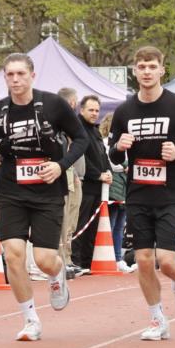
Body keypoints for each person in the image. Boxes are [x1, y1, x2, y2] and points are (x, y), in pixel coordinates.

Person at [0, 53, 89, 341]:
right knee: (13, 256)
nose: (15, 80)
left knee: (43, 259)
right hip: (11, 192)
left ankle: (57, 274)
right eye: (10, 75)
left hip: (48, 192)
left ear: (32, 76)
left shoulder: (54, 105)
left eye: (21, 74)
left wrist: (60, 165)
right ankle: (30, 319)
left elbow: (82, 139)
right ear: (5, 77)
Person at [109, 46, 175, 341]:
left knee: (165, 259)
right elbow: (113, 158)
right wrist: (119, 147)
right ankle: (157, 319)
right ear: (135, 71)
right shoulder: (125, 110)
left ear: (162, 70)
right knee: (142, 260)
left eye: (152, 66)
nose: (147, 71)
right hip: (138, 193)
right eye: (141, 67)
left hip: (172, 193)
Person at [70, 95, 112, 275]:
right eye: (91, 110)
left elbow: (102, 154)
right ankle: (76, 260)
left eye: (97, 110)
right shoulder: (77, 129)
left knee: (93, 226)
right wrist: (98, 174)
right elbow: (81, 157)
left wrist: (108, 171)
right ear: (81, 110)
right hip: (85, 185)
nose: (95, 113)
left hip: (99, 187)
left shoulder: (95, 130)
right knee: (80, 225)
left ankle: (87, 261)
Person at [56, 87, 85, 276]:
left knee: (72, 222)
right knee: (64, 221)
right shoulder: (59, 123)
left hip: (75, 176)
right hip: (65, 176)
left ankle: (67, 257)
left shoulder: (72, 125)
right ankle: (61, 259)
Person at [99, 113, 131, 273]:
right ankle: (109, 257)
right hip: (112, 187)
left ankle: (118, 258)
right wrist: (125, 166)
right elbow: (111, 163)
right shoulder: (106, 143)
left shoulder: (124, 144)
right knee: (110, 225)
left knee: (119, 226)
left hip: (124, 187)